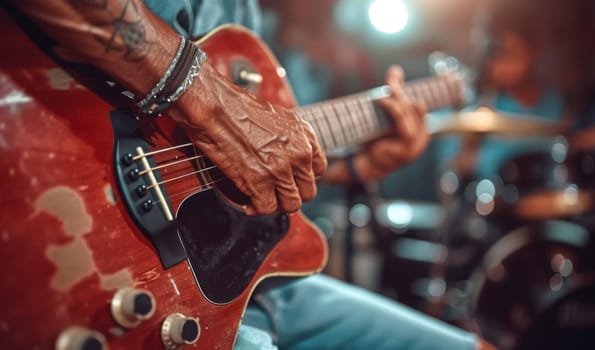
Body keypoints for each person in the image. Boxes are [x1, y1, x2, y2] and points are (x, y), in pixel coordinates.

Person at [8, 1, 491, 349]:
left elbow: (218, 168)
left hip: (247, 289)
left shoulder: (244, 14)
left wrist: (354, 167)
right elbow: (221, 121)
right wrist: (213, 105)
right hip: (80, 227)